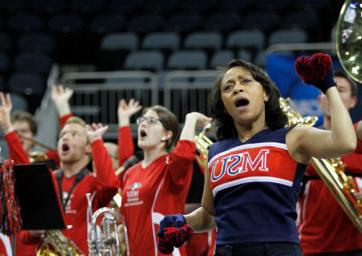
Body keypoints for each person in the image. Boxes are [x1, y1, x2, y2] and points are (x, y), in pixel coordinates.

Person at [157, 54, 357, 256]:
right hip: (226, 251)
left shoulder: (292, 137)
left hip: (278, 250)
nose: (237, 88)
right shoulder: (215, 151)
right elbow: (209, 215)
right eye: (228, 87)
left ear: (266, 94)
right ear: (224, 104)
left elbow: (345, 142)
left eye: (246, 81)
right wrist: (184, 221)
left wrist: (328, 86)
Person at [0, 92, 119, 255]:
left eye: (74, 135)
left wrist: (97, 141)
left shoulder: (92, 182)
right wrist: (32, 233)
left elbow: (110, 185)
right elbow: (25, 237)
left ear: (87, 147)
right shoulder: (47, 178)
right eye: (62, 135)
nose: (66, 138)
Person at [116, 98, 210, 256]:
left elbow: (185, 155)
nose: (143, 124)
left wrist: (191, 119)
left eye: (152, 121)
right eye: (142, 120)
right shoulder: (130, 173)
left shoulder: (170, 166)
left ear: (166, 135)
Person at [298, 71, 362, 256]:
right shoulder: (304, 140)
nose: (332, 95)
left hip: (357, 244)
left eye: (340, 90)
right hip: (312, 246)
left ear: (353, 101)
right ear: (319, 100)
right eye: (327, 91)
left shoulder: (358, 134)